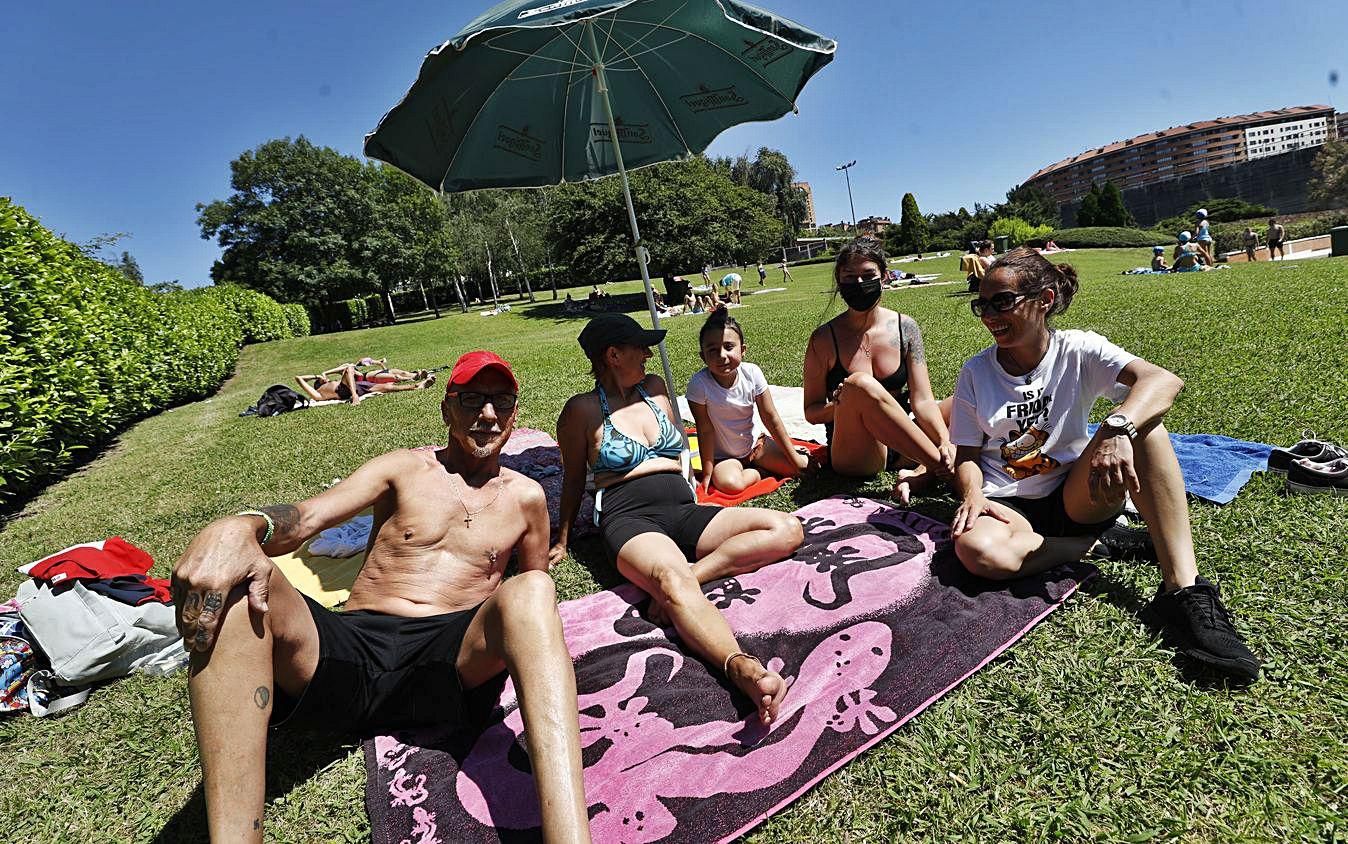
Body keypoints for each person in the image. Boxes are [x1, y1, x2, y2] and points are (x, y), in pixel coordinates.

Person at [174, 351, 592, 843]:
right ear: (446, 409)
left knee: (536, 588)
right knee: (243, 584)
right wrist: (241, 526)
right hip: (354, 648)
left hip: (449, 663)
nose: (487, 414)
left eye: (501, 401)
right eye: (472, 399)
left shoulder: (526, 498)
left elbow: (532, 602)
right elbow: (306, 520)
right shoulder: (403, 469)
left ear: (514, 414)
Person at [947, 248, 1260, 683]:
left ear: (1044, 299)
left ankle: (1183, 589)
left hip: (1078, 494)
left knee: (1146, 425)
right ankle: (1106, 546)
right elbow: (965, 453)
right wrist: (973, 494)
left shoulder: (1079, 348)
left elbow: (1163, 381)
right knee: (977, 552)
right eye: (982, 304)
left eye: (1003, 302)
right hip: (1008, 507)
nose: (989, 315)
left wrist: (1117, 429)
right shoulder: (976, 371)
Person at [551, 313, 803, 725]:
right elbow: (575, 478)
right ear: (613, 355)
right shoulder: (580, 411)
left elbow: (678, 455)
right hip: (629, 517)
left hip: (683, 508)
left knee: (786, 528)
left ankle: (694, 574)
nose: (649, 354)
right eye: (640, 347)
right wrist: (562, 538)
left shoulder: (654, 390)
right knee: (671, 580)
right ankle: (740, 667)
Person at [803, 238, 955, 502]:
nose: (859, 284)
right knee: (860, 384)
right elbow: (811, 412)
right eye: (850, 277)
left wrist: (944, 439)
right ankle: (938, 467)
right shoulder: (823, 339)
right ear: (839, 282)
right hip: (857, 452)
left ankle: (926, 465)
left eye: (868, 275)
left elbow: (923, 399)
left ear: (884, 277)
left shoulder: (906, 328)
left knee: (966, 399)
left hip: (904, 440)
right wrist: (840, 403)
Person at [687, 309, 809, 494]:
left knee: (804, 468)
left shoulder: (752, 373)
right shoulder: (699, 384)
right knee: (730, 484)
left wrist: (794, 457)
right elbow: (704, 429)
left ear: (743, 350)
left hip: (757, 446)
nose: (721, 355)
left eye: (729, 347)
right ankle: (757, 473)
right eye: (712, 350)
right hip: (725, 457)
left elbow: (770, 417)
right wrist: (707, 473)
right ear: (703, 357)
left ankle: (766, 464)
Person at [294, 366, 435, 405]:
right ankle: (416, 385)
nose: (325, 379)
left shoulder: (328, 383)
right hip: (345, 391)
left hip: (356, 385)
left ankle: (417, 386)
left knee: (387, 388)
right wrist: (316, 377)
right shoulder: (317, 394)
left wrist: (321, 376)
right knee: (348, 368)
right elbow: (298, 378)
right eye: (323, 379)